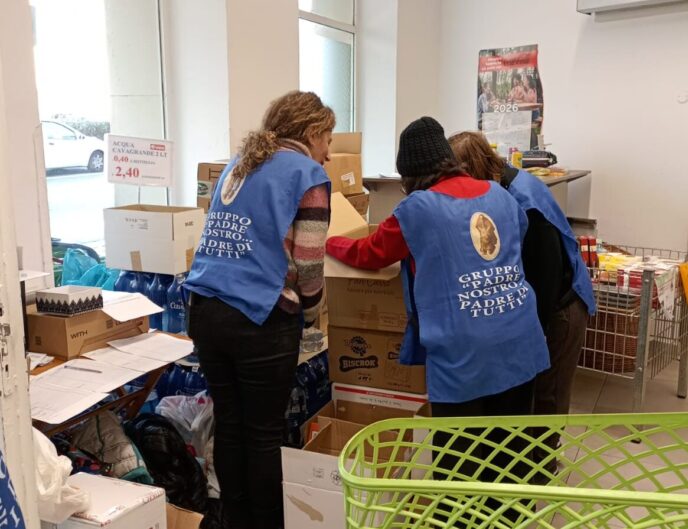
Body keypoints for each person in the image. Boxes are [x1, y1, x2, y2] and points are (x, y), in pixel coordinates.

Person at [326, 117, 550, 521]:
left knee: (459, 467)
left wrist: (330, 241)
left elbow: (371, 253)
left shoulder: (418, 209)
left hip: (466, 356)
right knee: (512, 458)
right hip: (520, 341)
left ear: (411, 175)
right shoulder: (501, 196)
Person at [184, 91, 335, 529]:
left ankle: (236, 521)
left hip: (205, 309)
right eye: (328, 139)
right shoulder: (306, 174)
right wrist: (313, 313)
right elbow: (309, 265)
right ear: (312, 132)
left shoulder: (239, 164)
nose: (328, 153)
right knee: (264, 435)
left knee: (230, 424)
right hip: (259, 317)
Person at [448, 131, 596, 479]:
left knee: (547, 397)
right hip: (545, 301)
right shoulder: (504, 186)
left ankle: (540, 471)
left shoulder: (524, 199)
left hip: (560, 308)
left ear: (472, 168)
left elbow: (545, 276)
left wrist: (528, 337)